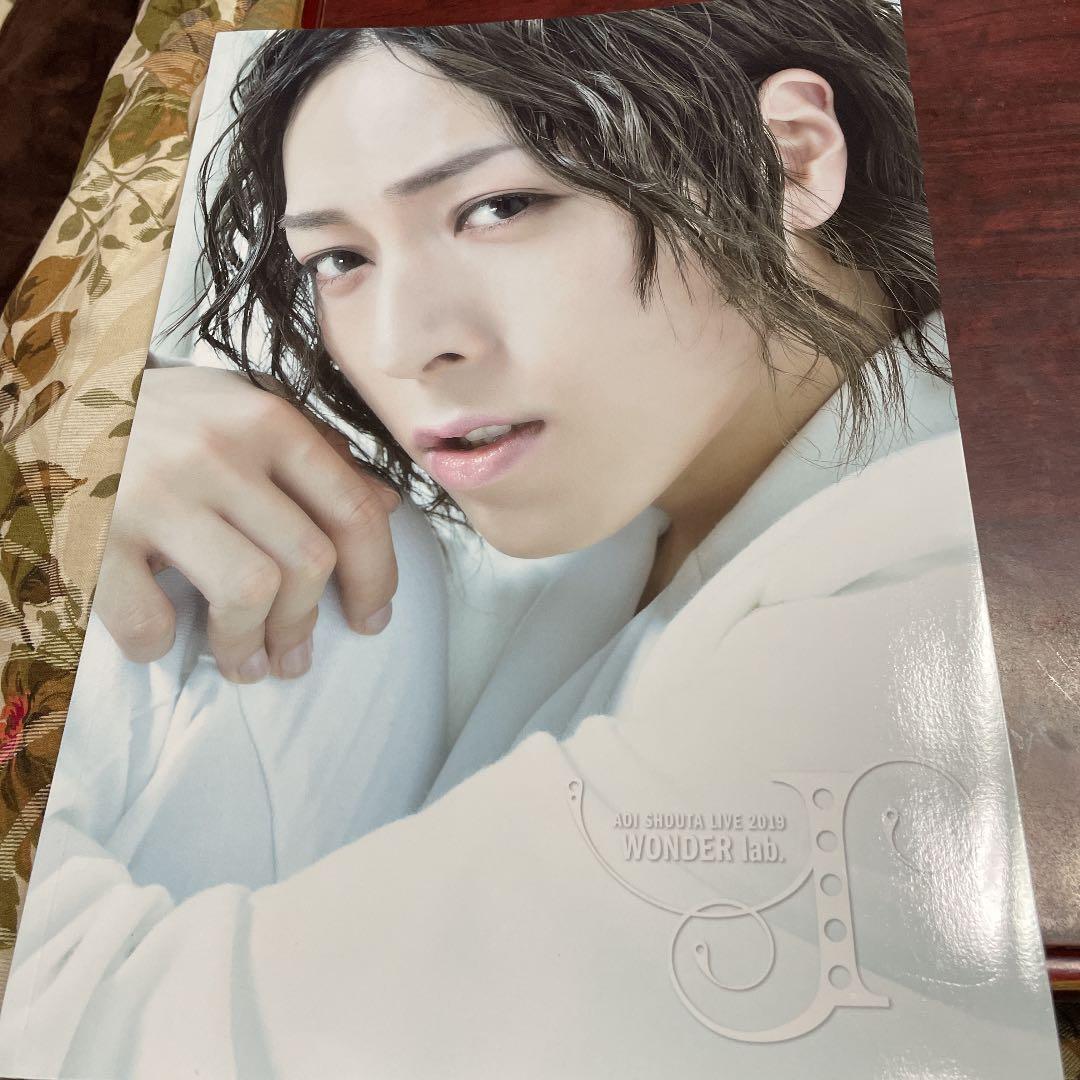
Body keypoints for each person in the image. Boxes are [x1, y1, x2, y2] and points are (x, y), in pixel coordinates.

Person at [0, 6, 1060, 1078]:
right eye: (339, 258)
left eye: (499, 207)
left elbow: (166, 1046)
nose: (406, 344)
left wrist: (54, 447)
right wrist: (130, 439)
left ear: (788, 157)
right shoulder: (582, 546)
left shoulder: (927, 598)